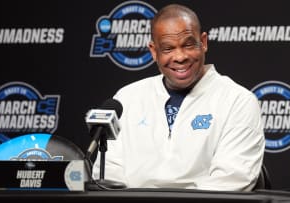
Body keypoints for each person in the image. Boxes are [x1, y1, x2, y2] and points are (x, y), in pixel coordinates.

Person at [92, 3, 265, 191]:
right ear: (153, 51)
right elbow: (108, 173)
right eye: (168, 49)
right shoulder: (126, 98)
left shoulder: (238, 101)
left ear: (204, 42)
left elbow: (231, 181)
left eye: (188, 45)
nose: (180, 56)